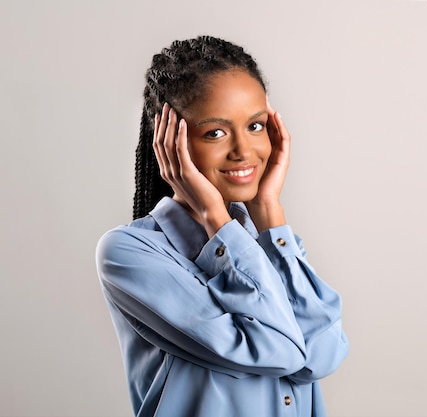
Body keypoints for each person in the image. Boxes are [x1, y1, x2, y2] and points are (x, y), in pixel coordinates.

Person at [95, 35, 349, 417]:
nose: (244, 151)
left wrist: (267, 211)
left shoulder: (271, 243)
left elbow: (322, 357)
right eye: (215, 132)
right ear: (167, 142)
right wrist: (217, 218)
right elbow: (280, 353)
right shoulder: (129, 253)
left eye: (255, 126)